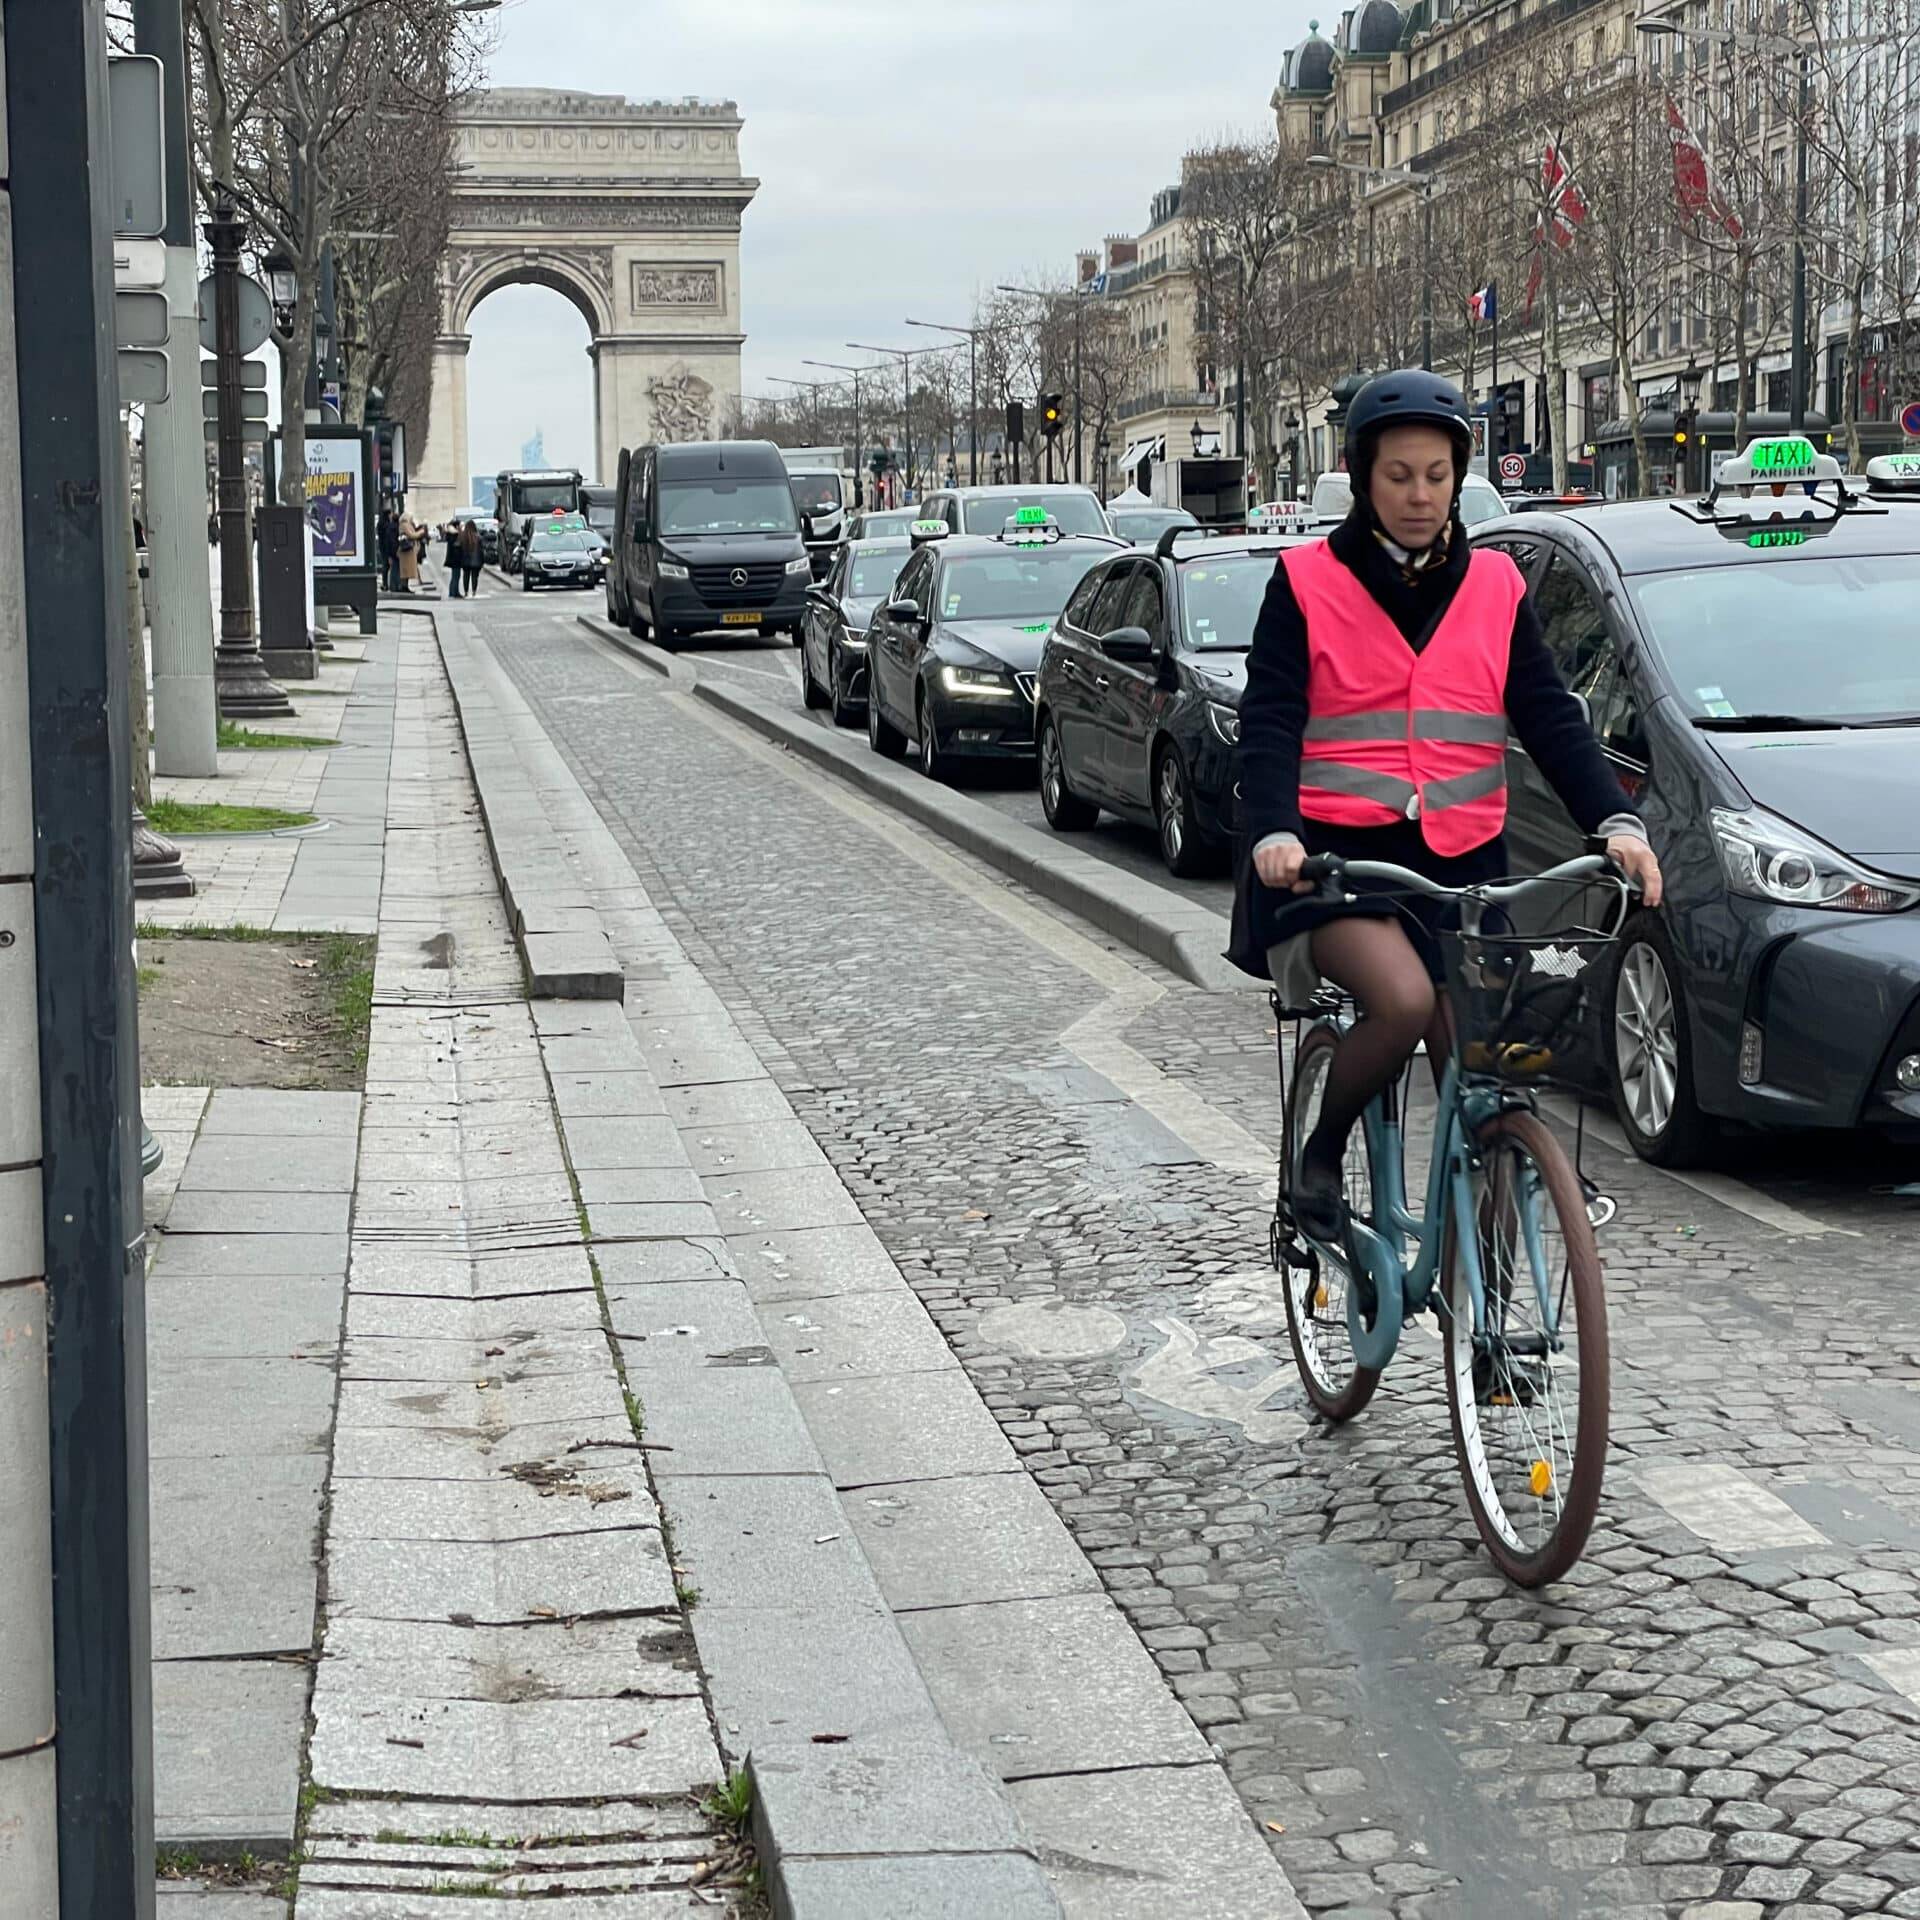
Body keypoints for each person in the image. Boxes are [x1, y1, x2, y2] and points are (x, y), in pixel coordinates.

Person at [1230, 369, 1663, 1246]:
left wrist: (1616, 822)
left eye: (1438, 475)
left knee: (1489, 1067)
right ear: (1362, 478)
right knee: (1399, 1000)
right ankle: (1316, 1159)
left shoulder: (1497, 586)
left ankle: (1493, 1324)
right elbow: (1270, 716)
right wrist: (1274, 829)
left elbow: (1549, 715)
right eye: (1399, 476)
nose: (1421, 495)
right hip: (1332, 865)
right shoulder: (1306, 582)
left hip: (1460, 869)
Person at [397, 508, 423, 593]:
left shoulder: (406, 524)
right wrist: (420, 533)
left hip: (409, 550)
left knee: (408, 570)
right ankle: (404, 586)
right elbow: (411, 535)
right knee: (406, 569)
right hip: (406, 550)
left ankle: (405, 586)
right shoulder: (404, 525)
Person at [458, 517, 483, 597]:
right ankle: (474, 591)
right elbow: (481, 550)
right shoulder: (478, 537)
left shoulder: (463, 537)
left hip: (465, 560)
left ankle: (466, 592)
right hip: (476, 561)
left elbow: (460, 548)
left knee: (466, 576)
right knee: (475, 577)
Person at [377, 508, 400, 592]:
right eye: (390, 514)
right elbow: (388, 537)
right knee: (387, 566)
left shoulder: (381, 523)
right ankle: (387, 584)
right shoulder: (387, 525)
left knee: (385, 566)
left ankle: (385, 584)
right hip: (386, 547)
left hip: (382, 547)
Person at [442, 519, 464, 598]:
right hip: (455, 559)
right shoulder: (454, 535)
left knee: (455, 576)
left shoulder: (451, 534)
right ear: (456, 526)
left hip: (453, 558)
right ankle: (454, 592)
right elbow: (457, 545)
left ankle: (453, 592)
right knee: (456, 576)